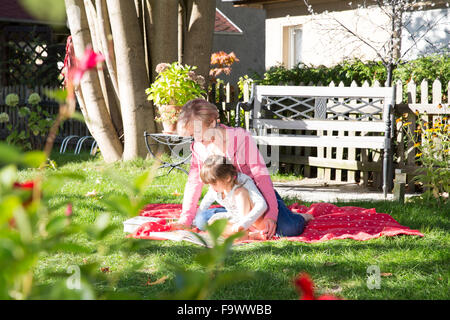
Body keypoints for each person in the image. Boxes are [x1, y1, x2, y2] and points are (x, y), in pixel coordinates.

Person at [172, 98, 310, 239]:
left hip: (257, 195)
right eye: (192, 135)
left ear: (212, 122)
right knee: (201, 222)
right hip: (232, 202)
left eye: (199, 133)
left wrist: (271, 215)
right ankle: (243, 223)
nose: (197, 139)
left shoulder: (240, 137)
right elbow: (194, 182)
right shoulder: (198, 147)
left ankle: (299, 217)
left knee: (287, 230)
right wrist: (186, 218)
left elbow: (261, 175)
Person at [197, 155, 312, 240]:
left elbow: (261, 205)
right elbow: (205, 203)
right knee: (211, 225)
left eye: (213, 183)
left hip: (256, 217)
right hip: (238, 219)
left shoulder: (243, 182)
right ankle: (252, 236)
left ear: (227, 178)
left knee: (288, 229)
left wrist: (243, 225)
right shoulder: (215, 189)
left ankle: (301, 217)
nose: (211, 187)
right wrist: (193, 219)